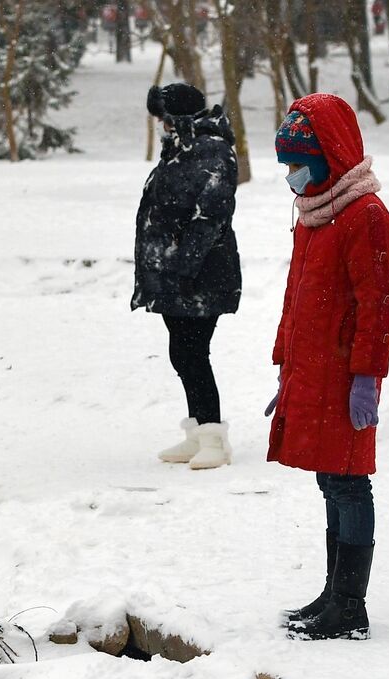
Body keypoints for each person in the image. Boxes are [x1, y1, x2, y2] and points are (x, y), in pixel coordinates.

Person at [269, 94, 389, 641]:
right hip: (314, 370)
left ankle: (351, 605)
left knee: (350, 484)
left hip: (345, 377)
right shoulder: (314, 214)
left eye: (301, 162)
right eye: (288, 165)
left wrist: (367, 378)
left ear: (331, 155)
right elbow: (296, 297)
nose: (293, 175)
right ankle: (332, 592)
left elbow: (378, 305)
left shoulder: (364, 215)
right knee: (330, 481)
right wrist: (284, 365)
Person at [133, 82, 241, 470]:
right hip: (176, 278)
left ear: (178, 118)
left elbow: (210, 217)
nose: (160, 126)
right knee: (182, 352)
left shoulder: (211, 151)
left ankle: (213, 437)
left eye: (163, 118)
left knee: (194, 353)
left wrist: (180, 267)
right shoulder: (180, 151)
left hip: (202, 277)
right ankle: (198, 433)